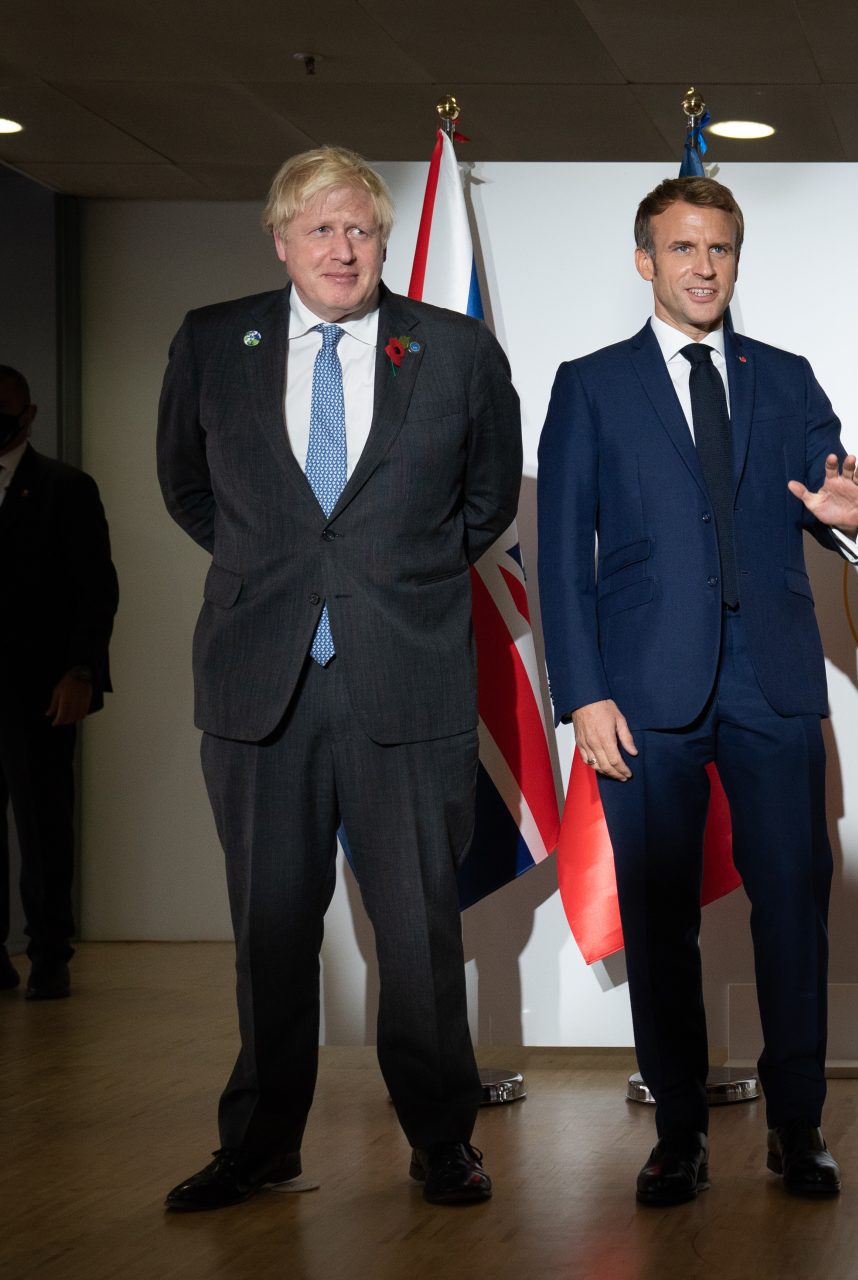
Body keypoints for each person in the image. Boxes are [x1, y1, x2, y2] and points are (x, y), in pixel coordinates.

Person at [155, 146, 521, 1210]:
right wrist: (281, 569)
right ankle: (262, 1141)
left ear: (384, 240)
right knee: (270, 928)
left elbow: (487, 495)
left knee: (416, 931)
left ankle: (442, 1138)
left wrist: (389, 575)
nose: (342, 247)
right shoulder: (216, 340)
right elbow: (186, 482)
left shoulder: (451, 349)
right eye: (319, 229)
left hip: (405, 678)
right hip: (258, 682)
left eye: (360, 228)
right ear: (280, 241)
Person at [537, 175, 858, 1206]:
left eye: (720, 249)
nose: (702, 266)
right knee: (657, 915)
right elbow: (560, 556)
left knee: (793, 909)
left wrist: (847, 515)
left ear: (737, 259)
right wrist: (583, 691)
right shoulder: (591, 385)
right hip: (642, 693)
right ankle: (678, 1129)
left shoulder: (787, 377)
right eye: (682, 249)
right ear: (646, 260)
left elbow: (832, 499)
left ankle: (798, 1125)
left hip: (773, 682)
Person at [0, 364, 117, 1000]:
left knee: (43, 825)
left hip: (39, 689)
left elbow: (95, 590)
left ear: (29, 414)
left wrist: (81, 672)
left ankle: (50, 953)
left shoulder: (66, 488)